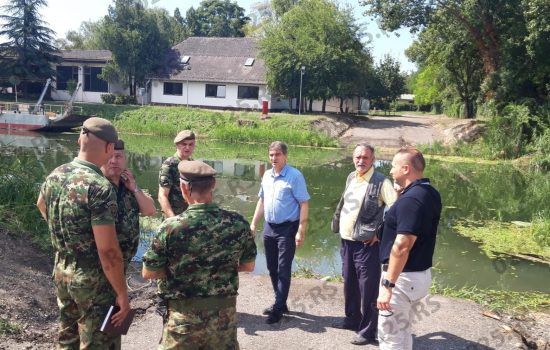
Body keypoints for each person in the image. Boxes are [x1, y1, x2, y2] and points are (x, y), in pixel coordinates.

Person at [36, 117, 130, 349]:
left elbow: (40, 204)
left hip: (62, 270)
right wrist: (122, 293)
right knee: (98, 341)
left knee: (68, 336)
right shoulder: (99, 186)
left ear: (80, 139)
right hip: (93, 279)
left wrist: (66, 232)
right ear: (109, 147)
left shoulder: (56, 174)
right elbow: (107, 250)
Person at [142, 160, 257, 349]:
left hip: (183, 319)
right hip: (223, 320)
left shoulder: (170, 228)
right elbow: (249, 266)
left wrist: (183, 271)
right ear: (214, 185)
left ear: (183, 187)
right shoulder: (237, 223)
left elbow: (149, 272)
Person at [331, 142, 397, 345]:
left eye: (365, 158)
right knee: (349, 283)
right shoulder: (351, 176)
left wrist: (380, 232)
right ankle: (352, 319)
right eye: (358, 157)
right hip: (347, 242)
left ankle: (368, 331)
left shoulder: (381, 182)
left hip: (367, 246)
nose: (361, 161)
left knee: (368, 288)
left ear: (373, 159)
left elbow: (396, 212)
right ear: (353, 158)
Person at [377, 147, 442, 350]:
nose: (390, 171)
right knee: (402, 332)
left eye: (394, 166)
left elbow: (403, 245)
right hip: (418, 275)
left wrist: (388, 286)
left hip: (401, 279)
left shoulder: (411, 200)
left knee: (389, 337)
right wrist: (400, 195)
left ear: (405, 169)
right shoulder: (429, 193)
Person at [250, 141, 310, 324]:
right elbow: (262, 201)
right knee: (271, 267)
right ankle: (281, 302)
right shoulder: (267, 175)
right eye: (271, 155)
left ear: (285, 156)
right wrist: (253, 224)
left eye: (277, 155)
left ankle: (278, 309)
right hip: (269, 227)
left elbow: (304, 203)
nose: (273, 158)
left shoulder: (295, 176)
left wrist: (301, 230)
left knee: (283, 269)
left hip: (287, 228)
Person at [101, 139, 156, 268]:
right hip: (101, 261)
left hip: (124, 260)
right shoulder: (95, 186)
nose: (114, 161)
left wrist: (135, 188)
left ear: (125, 159)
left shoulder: (128, 185)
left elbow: (150, 211)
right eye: (110, 157)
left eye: (118, 156)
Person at [158, 130, 196, 217]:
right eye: (184, 144)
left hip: (188, 218)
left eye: (191, 144)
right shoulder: (169, 165)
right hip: (173, 217)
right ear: (177, 145)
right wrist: (173, 220)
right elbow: (162, 196)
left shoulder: (193, 164)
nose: (187, 148)